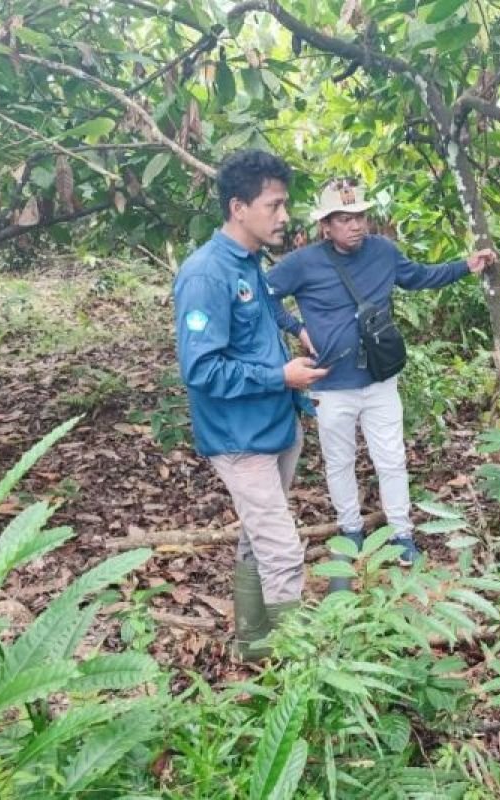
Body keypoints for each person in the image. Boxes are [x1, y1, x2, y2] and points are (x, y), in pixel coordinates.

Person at [267, 177, 496, 587]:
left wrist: (466, 266)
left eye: (359, 216)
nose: (355, 225)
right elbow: (264, 296)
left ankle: (402, 534)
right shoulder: (302, 263)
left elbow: (419, 276)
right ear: (326, 226)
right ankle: (350, 530)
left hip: (378, 378)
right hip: (329, 382)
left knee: (391, 458)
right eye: (343, 218)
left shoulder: (383, 252)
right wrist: (297, 329)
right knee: (339, 461)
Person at [173, 149, 326, 661]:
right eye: (274, 205)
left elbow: (264, 308)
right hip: (240, 437)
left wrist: (295, 328)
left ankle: (255, 645)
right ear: (239, 208)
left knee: (257, 539)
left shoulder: (249, 263)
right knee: (282, 550)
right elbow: (201, 369)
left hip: (274, 423)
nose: (284, 216)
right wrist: (279, 374)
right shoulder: (205, 275)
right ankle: (299, 674)